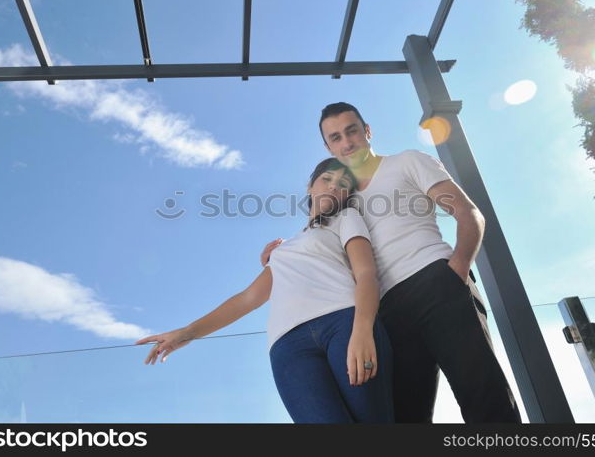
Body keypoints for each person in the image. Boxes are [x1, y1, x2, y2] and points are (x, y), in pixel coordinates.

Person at [261, 102, 521, 423]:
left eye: (352, 130)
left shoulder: (408, 162)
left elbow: (469, 215)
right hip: (385, 312)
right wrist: (282, 250)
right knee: (405, 417)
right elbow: (319, 243)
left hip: (438, 283)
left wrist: (457, 271)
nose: (347, 142)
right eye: (336, 137)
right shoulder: (343, 201)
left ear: (367, 131)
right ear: (328, 146)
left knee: (484, 397)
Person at [136, 157, 394, 423]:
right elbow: (247, 298)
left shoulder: (347, 217)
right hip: (288, 347)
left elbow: (366, 274)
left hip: (342, 325)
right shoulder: (282, 250)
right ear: (310, 186)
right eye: (326, 179)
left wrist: (362, 330)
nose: (332, 187)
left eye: (341, 185)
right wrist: (187, 332)